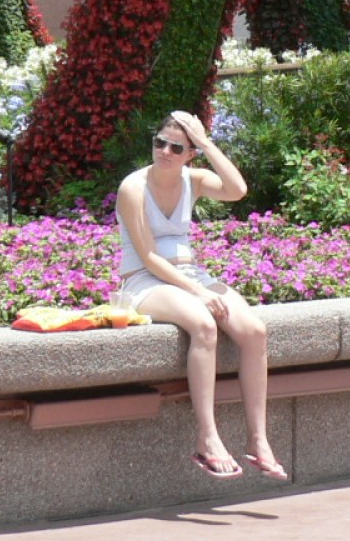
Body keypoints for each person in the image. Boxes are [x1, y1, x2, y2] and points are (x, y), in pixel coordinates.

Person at [114, 110, 285, 481]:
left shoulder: (193, 179)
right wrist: (198, 294)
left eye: (177, 148)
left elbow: (237, 190)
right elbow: (149, 257)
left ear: (190, 154)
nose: (165, 152)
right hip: (145, 281)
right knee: (204, 324)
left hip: (191, 275)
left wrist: (206, 142)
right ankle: (207, 438)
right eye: (160, 143)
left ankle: (258, 440)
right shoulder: (133, 186)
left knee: (255, 332)